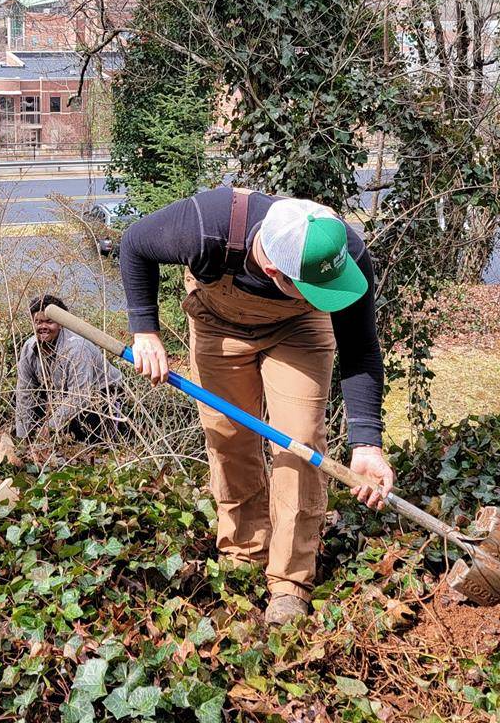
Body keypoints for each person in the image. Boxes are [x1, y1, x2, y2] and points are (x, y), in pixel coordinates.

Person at [119, 186, 394, 625]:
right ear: (273, 269)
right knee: (229, 437)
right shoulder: (207, 226)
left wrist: (366, 444)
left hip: (297, 331)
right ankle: (245, 553)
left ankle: (289, 583)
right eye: (313, 289)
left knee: (299, 443)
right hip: (216, 324)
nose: (326, 295)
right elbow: (135, 243)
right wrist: (145, 330)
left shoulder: (346, 253)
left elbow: (360, 350)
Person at [15, 295, 124, 444]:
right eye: (38, 322)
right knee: (24, 402)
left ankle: (97, 444)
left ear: (61, 324)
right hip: (61, 393)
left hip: (102, 396)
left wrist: (50, 427)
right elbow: (24, 393)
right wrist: (23, 438)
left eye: (49, 321)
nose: (43, 327)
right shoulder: (29, 347)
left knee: (82, 424)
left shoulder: (77, 349)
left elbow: (79, 397)